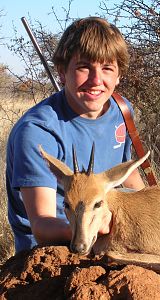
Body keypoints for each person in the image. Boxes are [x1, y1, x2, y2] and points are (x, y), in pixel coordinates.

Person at [6, 17, 145, 253]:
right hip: (58, 248)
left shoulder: (121, 110)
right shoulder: (38, 131)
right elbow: (42, 224)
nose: (96, 80)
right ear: (62, 72)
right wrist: (91, 229)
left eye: (107, 68)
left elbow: (128, 177)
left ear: (119, 75)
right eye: (83, 67)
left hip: (110, 238)